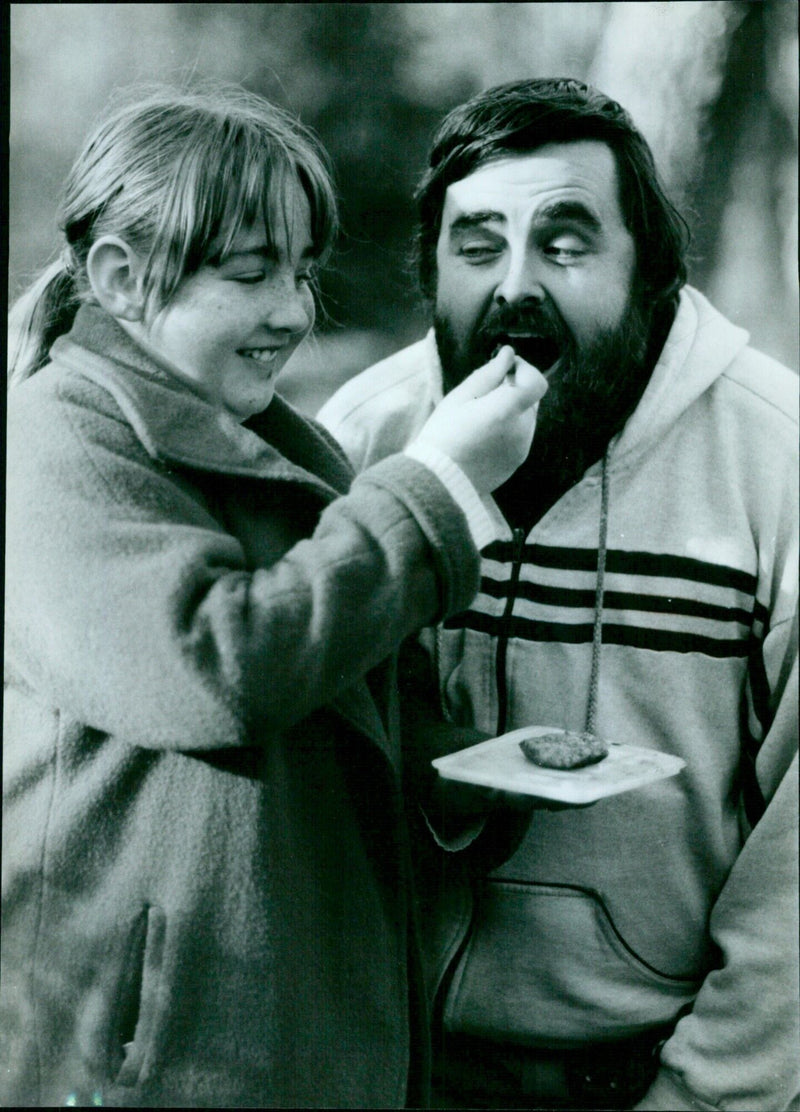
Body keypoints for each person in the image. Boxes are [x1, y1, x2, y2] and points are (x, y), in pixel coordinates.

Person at [2, 85, 549, 1109]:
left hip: (296, 1043)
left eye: (302, 271)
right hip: (147, 1068)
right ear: (122, 276)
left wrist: (462, 781)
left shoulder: (286, 448)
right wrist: (432, 482)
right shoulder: (52, 441)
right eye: (253, 274)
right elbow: (218, 671)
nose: (295, 311)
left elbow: (338, 715)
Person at [318, 77, 799, 1111]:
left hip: (645, 1073)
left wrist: (705, 1097)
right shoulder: (367, 434)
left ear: (652, 273)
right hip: (386, 1065)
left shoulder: (775, 460)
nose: (514, 288)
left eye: (566, 242)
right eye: (477, 243)